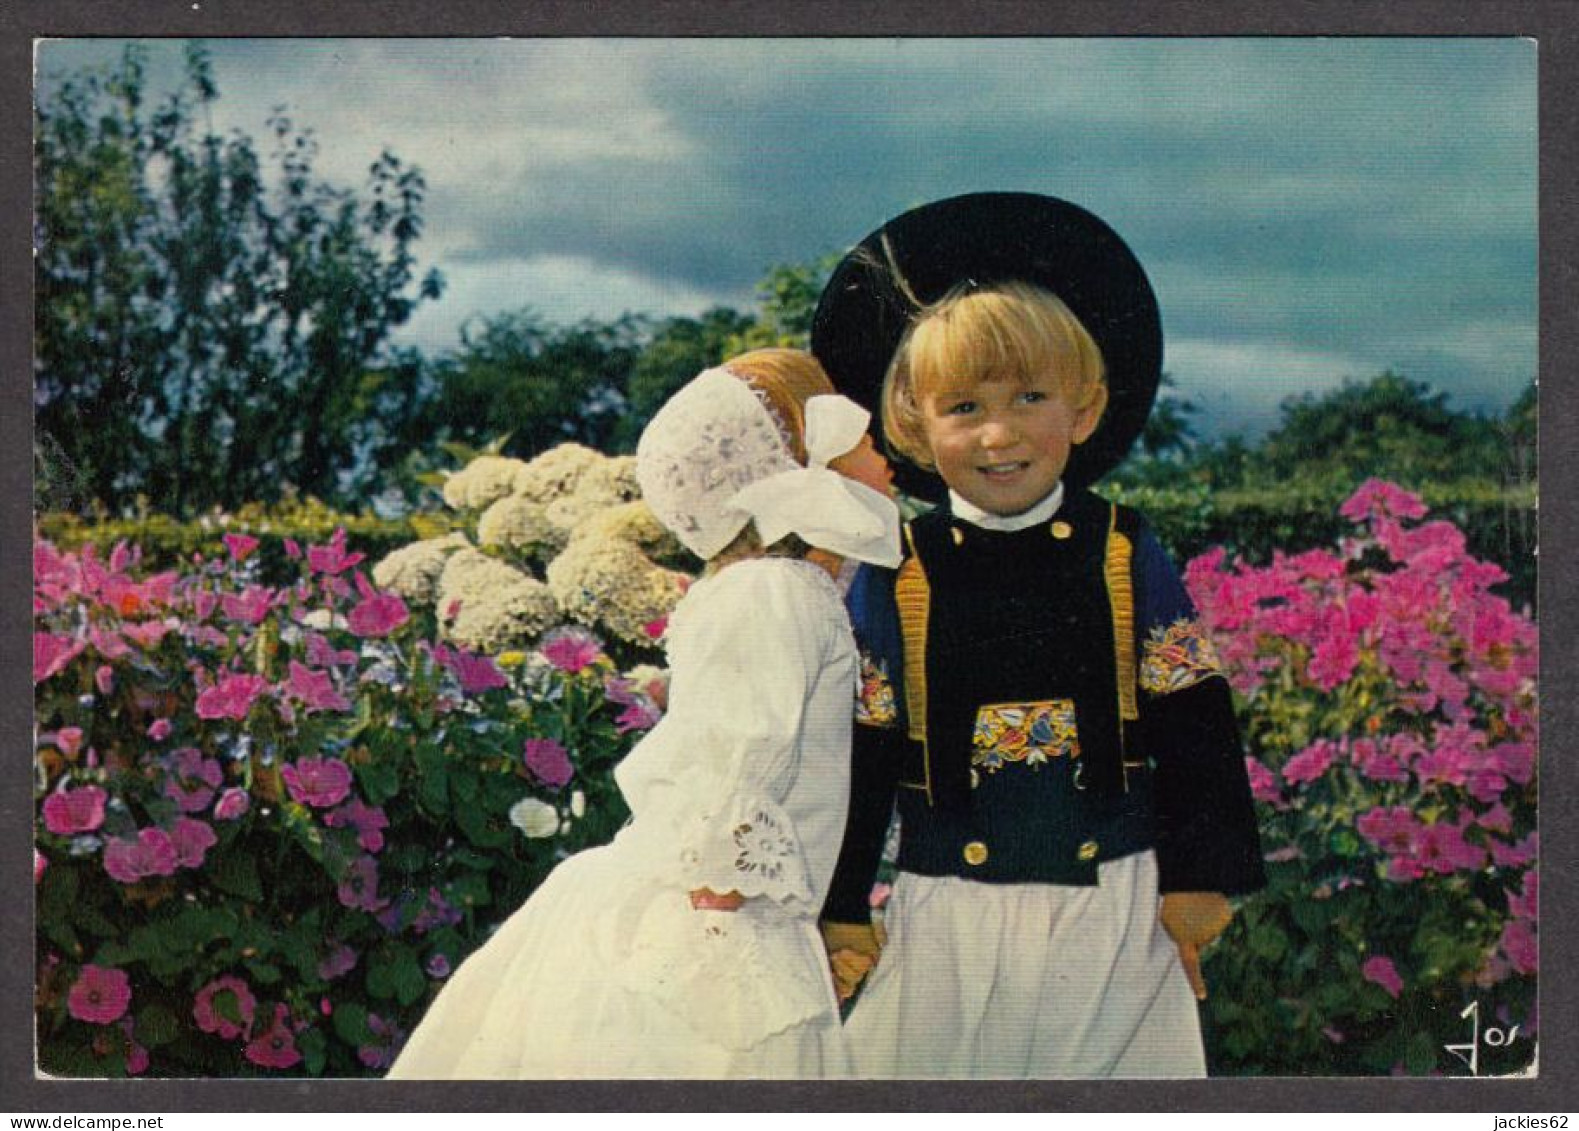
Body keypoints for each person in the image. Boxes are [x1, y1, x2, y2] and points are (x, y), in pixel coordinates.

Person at [809, 193, 1267, 1078]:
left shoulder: (1124, 549)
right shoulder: (895, 566)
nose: (998, 431)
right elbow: (863, 740)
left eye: (1029, 396)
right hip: (946, 908)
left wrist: (1199, 874)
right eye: (963, 405)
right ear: (911, 421)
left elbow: (1192, 713)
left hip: (1114, 903)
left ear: (1085, 408)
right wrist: (841, 901)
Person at [387, 349, 900, 1079]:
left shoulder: (776, 588)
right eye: (850, 423)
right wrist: (721, 923)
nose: (875, 435)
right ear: (796, 461)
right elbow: (744, 748)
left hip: (736, 908)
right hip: (719, 921)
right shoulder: (773, 593)